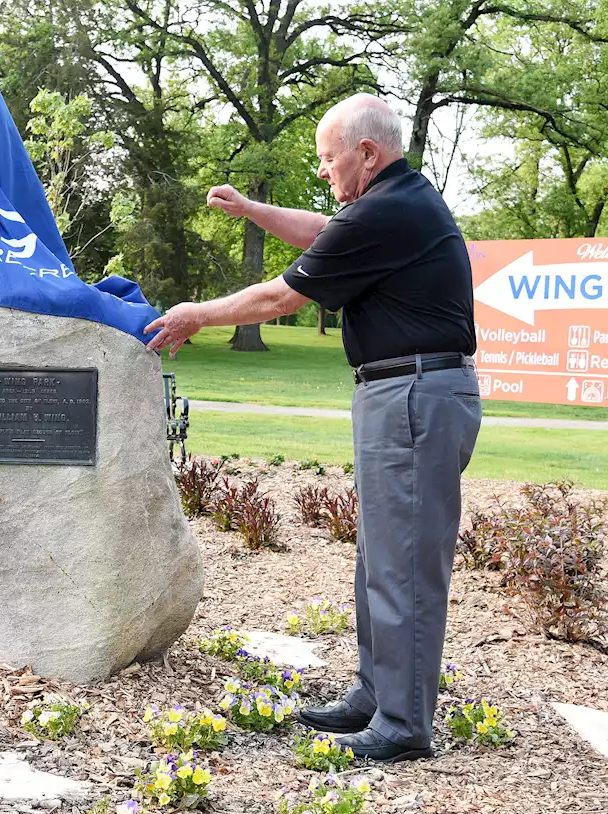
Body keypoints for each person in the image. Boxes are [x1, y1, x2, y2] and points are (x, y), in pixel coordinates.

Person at [144, 94, 482, 762]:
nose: (325, 172)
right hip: (402, 391)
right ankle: (374, 695)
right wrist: (251, 210)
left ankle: (404, 723)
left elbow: (280, 297)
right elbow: (323, 228)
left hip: (414, 394)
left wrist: (195, 315)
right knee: (379, 557)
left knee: (404, 563)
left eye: (330, 160)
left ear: (367, 154)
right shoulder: (392, 203)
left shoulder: (390, 209)